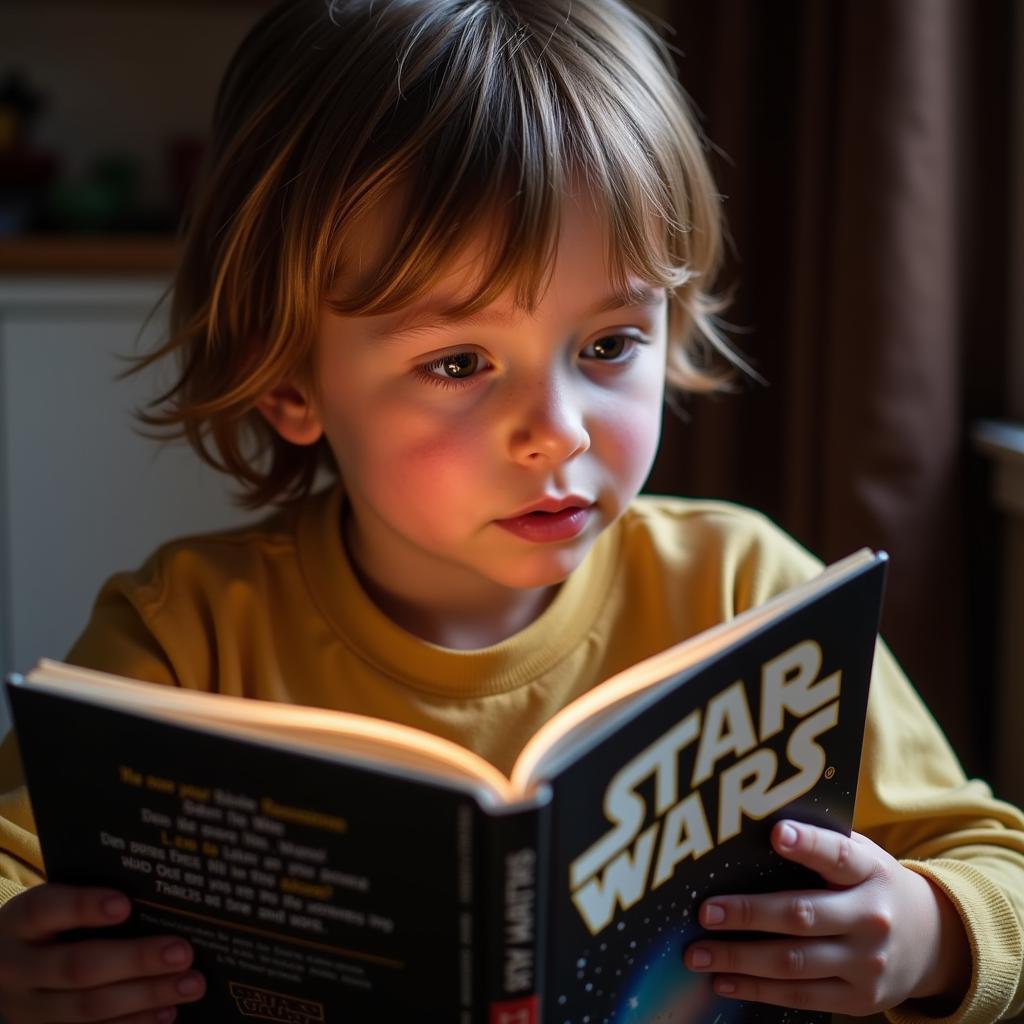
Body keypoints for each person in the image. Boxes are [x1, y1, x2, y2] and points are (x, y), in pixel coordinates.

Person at [1, 0, 1022, 1021]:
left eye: (609, 343)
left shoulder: (748, 592)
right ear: (291, 383)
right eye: (458, 362)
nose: (559, 430)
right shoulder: (187, 632)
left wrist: (927, 931)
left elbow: (997, 865)